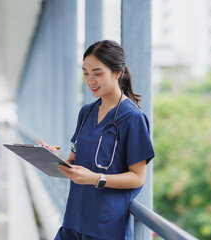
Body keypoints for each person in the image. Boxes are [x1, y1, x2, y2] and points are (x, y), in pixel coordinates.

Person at [41, 40, 155, 240]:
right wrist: (52, 158)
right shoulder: (86, 112)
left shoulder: (133, 118)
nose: (90, 80)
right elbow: (74, 163)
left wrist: (96, 179)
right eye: (85, 73)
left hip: (106, 229)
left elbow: (138, 177)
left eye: (98, 73)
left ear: (117, 73)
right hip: (73, 223)